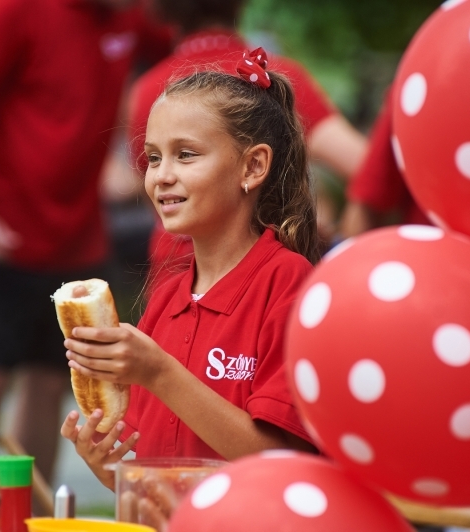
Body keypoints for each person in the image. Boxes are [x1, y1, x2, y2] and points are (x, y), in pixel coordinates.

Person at [0, 0, 171, 487]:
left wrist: (135, 153)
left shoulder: (129, 14)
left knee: (52, 377)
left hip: (77, 236)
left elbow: (184, 54)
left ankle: (25, 514)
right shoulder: (6, 9)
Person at [61, 59, 319, 494]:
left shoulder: (290, 283)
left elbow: (278, 465)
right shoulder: (167, 299)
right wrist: (110, 467)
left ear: (253, 167)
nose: (161, 176)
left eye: (186, 155)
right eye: (154, 158)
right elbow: (155, 479)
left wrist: (159, 372)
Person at [127, 0, 369, 290]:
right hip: (263, 283)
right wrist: (344, 228)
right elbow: (367, 166)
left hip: (175, 281)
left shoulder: (147, 92)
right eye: (156, 158)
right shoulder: (275, 77)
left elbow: (155, 194)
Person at [338, 84, 431, 239]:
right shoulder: (416, 86)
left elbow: (367, 204)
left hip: (423, 256)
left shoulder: (418, 86)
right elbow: (369, 200)